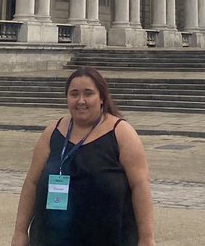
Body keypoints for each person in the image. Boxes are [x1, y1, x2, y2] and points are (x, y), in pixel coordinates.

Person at [13, 67, 155, 246]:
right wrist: (20, 232)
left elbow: (140, 185)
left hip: (108, 237)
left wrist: (147, 238)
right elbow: (31, 183)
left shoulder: (121, 132)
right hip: (52, 237)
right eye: (74, 94)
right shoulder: (53, 132)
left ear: (101, 98)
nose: (81, 101)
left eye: (88, 94)